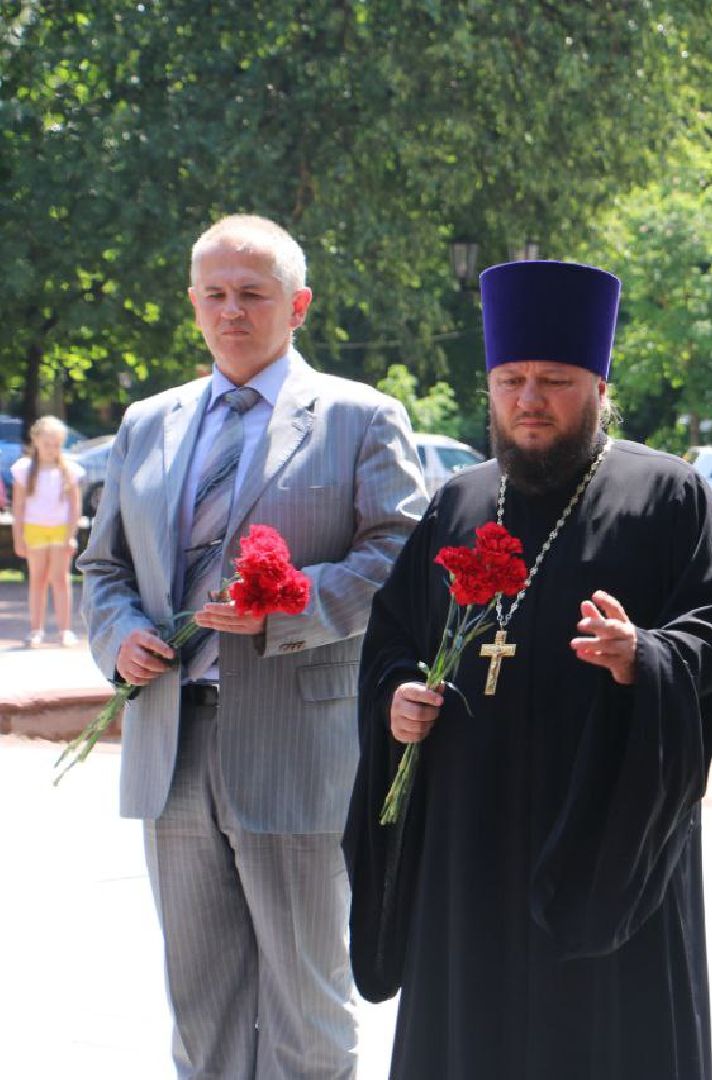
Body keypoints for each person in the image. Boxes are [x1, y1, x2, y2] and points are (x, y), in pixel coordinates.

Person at [344, 259, 712, 1079]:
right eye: (511, 381)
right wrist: (396, 696)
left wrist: (645, 656)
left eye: (554, 381)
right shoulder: (459, 500)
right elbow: (392, 634)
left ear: (599, 387)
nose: (529, 400)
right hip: (467, 838)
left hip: (604, 831)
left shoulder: (666, 495)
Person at [79, 214, 427, 1078]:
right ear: (193, 303)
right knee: (202, 1007)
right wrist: (119, 637)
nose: (231, 311)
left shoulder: (360, 417)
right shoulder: (146, 424)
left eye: (252, 294)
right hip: (171, 748)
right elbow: (104, 566)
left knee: (307, 1007)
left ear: (297, 305)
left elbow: (400, 556)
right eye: (215, 294)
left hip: (300, 747)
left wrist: (290, 606)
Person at [11, 415, 84, 647]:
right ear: (35, 441)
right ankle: (36, 630)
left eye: (56, 445)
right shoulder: (24, 470)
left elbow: (75, 506)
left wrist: (71, 536)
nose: (51, 449)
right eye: (47, 444)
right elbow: (18, 507)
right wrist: (18, 538)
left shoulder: (69, 470)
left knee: (60, 579)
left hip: (61, 532)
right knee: (38, 580)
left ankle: (65, 630)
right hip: (34, 531)